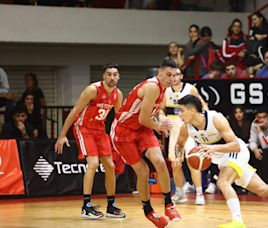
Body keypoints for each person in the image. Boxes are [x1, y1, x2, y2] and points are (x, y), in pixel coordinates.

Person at [175, 94, 268, 228]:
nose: (178, 114)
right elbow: (179, 145)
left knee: (223, 182)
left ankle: (237, 221)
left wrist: (213, 149)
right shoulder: (185, 128)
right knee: (262, 189)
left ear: (192, 111)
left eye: (181, 110)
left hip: (235, 152)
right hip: (221, 159)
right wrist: (177, 158)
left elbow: (235, 145)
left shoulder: (215, 119)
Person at [110, 59, 181, 227]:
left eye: (174, 76)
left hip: (142, 129)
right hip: (124, 131)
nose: (171, 79)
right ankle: (148, 210)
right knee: (143, 171)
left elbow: (149, 114)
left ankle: (168, 203)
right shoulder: (153, 87)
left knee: (160, 162)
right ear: (160, 72)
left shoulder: (164, 89)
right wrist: (158, 126)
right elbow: (143, 118)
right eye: (168, 75)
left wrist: (159, 122)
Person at [54, 63, 124, 219]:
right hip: (83, 128)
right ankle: (86, 206)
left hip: (100, 130)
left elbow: (119, 118)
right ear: (103, 76)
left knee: (110, 166)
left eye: (115, 74)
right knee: (93, 164)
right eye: (109, 74)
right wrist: (62, 134)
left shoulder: (118, 94)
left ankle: (111, 205)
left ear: (118, 77)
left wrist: (121, 137)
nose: (112, 77)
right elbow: (75, 110)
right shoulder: (93, 90)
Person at [159, 67, 208, 205]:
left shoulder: (190, 89)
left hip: (189, 130)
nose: (174, 78)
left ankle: (199, 193)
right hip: (174, 131)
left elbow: (203, 106)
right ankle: (180, 193)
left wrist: (203, 124)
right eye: (171, 75)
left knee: (193, 160)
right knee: (175, 163)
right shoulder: (166, 91)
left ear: (181, 76)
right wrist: (162, 118)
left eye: (177, 75)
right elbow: (160, 110)